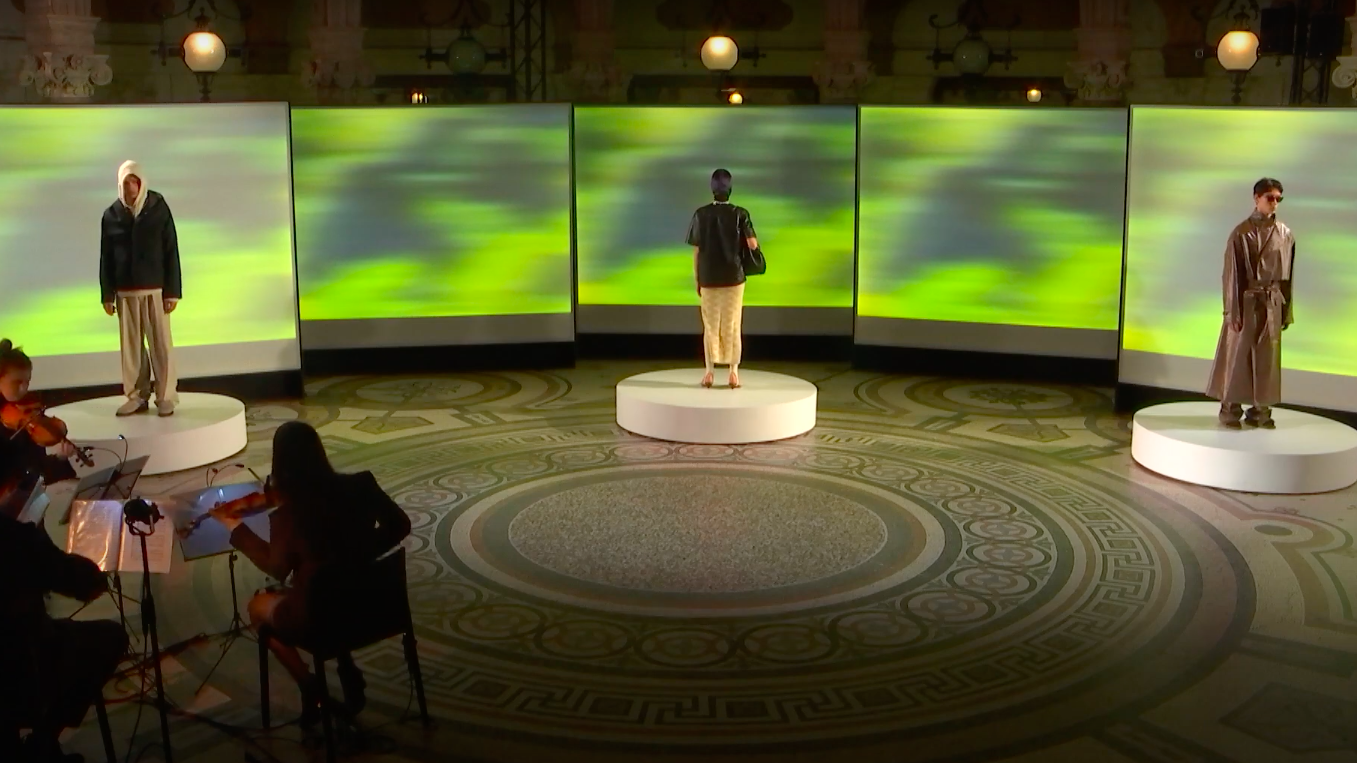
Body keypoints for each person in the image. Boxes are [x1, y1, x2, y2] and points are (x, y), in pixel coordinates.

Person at [214, 421, 411, 728]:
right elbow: (400, 525)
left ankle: (309, 685)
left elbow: (277, 569)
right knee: (329, 584)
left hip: (321, 618)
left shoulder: (290, 513)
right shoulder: (361, 484)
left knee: (258, 607)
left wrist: (234, 527)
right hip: (374, 606)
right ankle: (345, 666)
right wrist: (358, 553)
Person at [0, 492, 128, 763]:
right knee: (111, 637)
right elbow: (85, 583)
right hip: (21, 663)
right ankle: (43, 740)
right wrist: (36, 533)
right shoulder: (14, 537)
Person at [1206, 177, 1295, 429]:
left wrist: (1286, 310)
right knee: (1237, 357)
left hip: (1272, 302)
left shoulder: (1285, 234)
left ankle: (1261, 411)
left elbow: (1288, 277)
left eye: (1278, 198)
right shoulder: (1241, 233)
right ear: (1257, 198)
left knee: (1268, 359)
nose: (1275, 203)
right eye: (1270, 197)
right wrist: (1231, 311)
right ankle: (1230, 410)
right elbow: (1231, 275)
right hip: (1246, 301)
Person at [99, 160, 181, 418]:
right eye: (126, 183)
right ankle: (136, 396)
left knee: (161, 346)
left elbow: (171, 249)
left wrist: (172, 291)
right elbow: (106, 257)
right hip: (125, 292)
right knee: (131, 350)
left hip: (155, 290)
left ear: (141, 182)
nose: (130, 188)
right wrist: (107, 294)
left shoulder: (158, 207)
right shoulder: (111, 215)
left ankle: (165, 396)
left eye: (134, 182)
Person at [686, 168, 759, 389]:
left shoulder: (700, 214)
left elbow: (696, 250)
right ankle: (733, 373)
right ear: (730, 189)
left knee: (710, 324)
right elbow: (752, 244)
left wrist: (697, 278)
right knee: (733, 322)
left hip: (709, 277)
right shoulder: (740, 214)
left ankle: (709, 372)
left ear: (712, 189)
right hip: (734, 277)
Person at [0, 340, 78, 492]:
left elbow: (36, 470)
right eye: (17, 382)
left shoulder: (27, 414)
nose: (24, 389)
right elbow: (19, 472)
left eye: (27, 382)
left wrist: (60, 458)